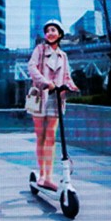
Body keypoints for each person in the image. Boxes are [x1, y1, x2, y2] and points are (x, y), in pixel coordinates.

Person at [27, 20, 78, 191]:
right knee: (41, 137)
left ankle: (48, 177)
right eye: (47, 30)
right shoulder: (39, 50)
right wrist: (46, 83)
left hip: (56, 99)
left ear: (60, 34)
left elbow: (67, 75)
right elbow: (31, 68)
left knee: (51, 137)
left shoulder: (63, 56)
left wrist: (72, 86)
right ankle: (42, 175)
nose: (50, 33)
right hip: (40, 97)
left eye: (53, 30)